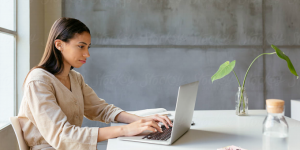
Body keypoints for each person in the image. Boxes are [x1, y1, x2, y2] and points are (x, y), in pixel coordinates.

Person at [18, 17, 173, 150]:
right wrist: (125, 130)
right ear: (59, 45)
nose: (87, 54)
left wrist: (139, 120)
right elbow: (62, 135)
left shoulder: (75, 78)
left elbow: (101, 109)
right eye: (81, 46)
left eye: (88, 47)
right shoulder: (38, 81)